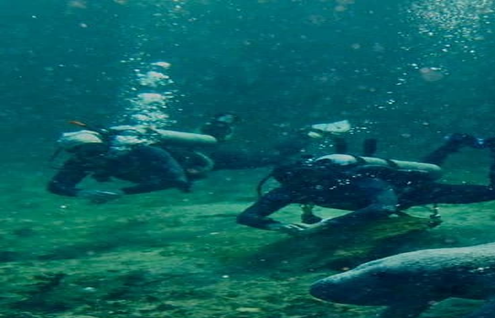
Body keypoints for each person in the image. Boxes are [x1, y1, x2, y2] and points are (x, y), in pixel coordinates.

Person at [236, 133, 495, 236]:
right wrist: (281, 227)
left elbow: (384, 206)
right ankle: (451, 145)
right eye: (293, 181)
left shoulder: (357, 176)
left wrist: (324, 229)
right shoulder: (296, 187)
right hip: (401, 190)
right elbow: (248, 217)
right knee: (426, 169)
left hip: (413, 193)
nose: (299, 186)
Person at [48, 115, 349, 204]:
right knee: (269, 156)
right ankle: (214, 126)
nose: (88, 160)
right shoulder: (82, 160)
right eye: (79, 155)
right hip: (189, 164)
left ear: (101, 145)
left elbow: (175, 178)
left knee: (272, 156)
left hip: (208, 159)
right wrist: (82, 191)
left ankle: (308, 132)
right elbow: (57, 185)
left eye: (91, 152)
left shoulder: (142, 149)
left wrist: (120, 193)